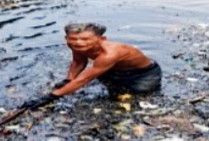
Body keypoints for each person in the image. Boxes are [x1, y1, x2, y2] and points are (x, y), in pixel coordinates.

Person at [22, 23, 162, 110]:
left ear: (101, 39)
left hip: (143, 75)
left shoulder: (110, 53)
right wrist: (69, 79)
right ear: (66, 38)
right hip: (113, 70)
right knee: (109, 89)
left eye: (85, 39)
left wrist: (50, 97)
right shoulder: (75, 45)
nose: (79, 43)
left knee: (136, 97)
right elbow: (78, 62)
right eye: (73, 39)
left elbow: (83, 80)